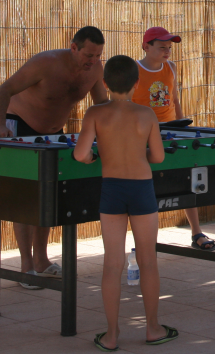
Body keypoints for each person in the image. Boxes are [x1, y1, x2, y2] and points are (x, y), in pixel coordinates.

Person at [74, 55, 178, 351]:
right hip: (142, 189)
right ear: (137, 83)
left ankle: (111, 335)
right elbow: (157, 157)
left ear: (104, 83)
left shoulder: (95, 113)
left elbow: (81, 154)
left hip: (112, 190)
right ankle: (153, 328)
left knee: (112, 264)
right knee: (148, 261)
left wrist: (96, 156)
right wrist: (138, 155)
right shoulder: (147, 115)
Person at [0, 26, 108, 288]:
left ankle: (42, 261)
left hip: (55, 134)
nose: (92, 61)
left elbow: (101, 104)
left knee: (49, 197)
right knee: (26, 197)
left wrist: (113, 126)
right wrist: (0, 125)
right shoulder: (45, 63)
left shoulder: (95, 70)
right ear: (73, 47)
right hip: (20, 126)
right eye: (88, 55)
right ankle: (26, 267)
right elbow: (3, 90)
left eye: (98, 55)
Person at [133, 26, 215, 252]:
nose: (167, 51)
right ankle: (148, 239)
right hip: (143, 135)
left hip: (172, 132)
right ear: (145, 46)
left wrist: (184, 131)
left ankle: (196, 231)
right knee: (150, 186)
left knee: (189, 179)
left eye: (169, 48)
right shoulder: (135, 69)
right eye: (162, 47)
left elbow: (175, 100)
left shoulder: (171, 67)